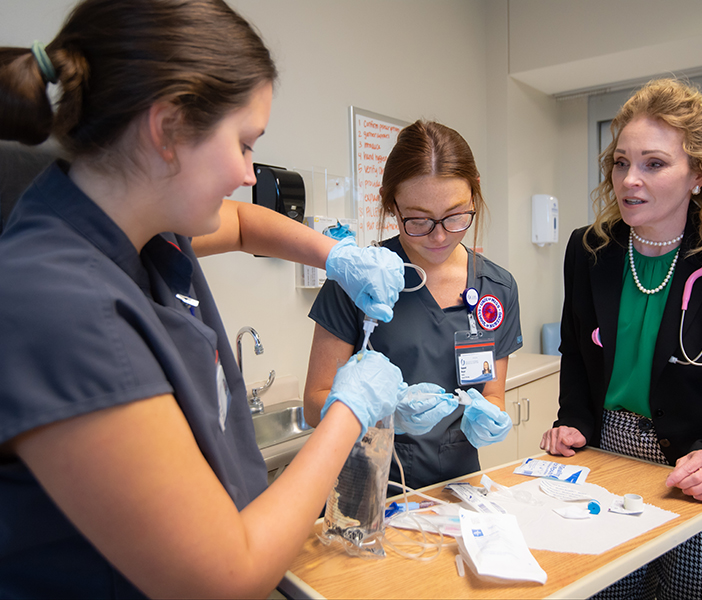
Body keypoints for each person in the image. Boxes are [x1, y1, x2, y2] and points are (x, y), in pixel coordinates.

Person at [0, 1, 408, 598]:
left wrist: (335, 255)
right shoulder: (64, 307)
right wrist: (350, 410)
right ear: (166, 129)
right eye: (244, 143)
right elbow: (225, 575)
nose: (249, 171)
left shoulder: (143, 226)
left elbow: (243, 225)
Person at [540, 78, 702, 600]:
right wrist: (573, 422)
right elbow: (577, 353)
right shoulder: (589, 251)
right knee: (605, 589)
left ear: (698, 174)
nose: (628, 180)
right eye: (620, 162)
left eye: (653, 164)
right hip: (611, 456)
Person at [304, 120, 522, 491]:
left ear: (474, 193)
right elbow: (314, 405)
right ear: (391, 204)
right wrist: (388, 414)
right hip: (368, 494)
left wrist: (491, 416)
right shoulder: (358, 281)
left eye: (455, 216)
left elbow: (493, 394)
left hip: (458, 491)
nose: (439, 236)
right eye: (418, 220)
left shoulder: (496, 287)